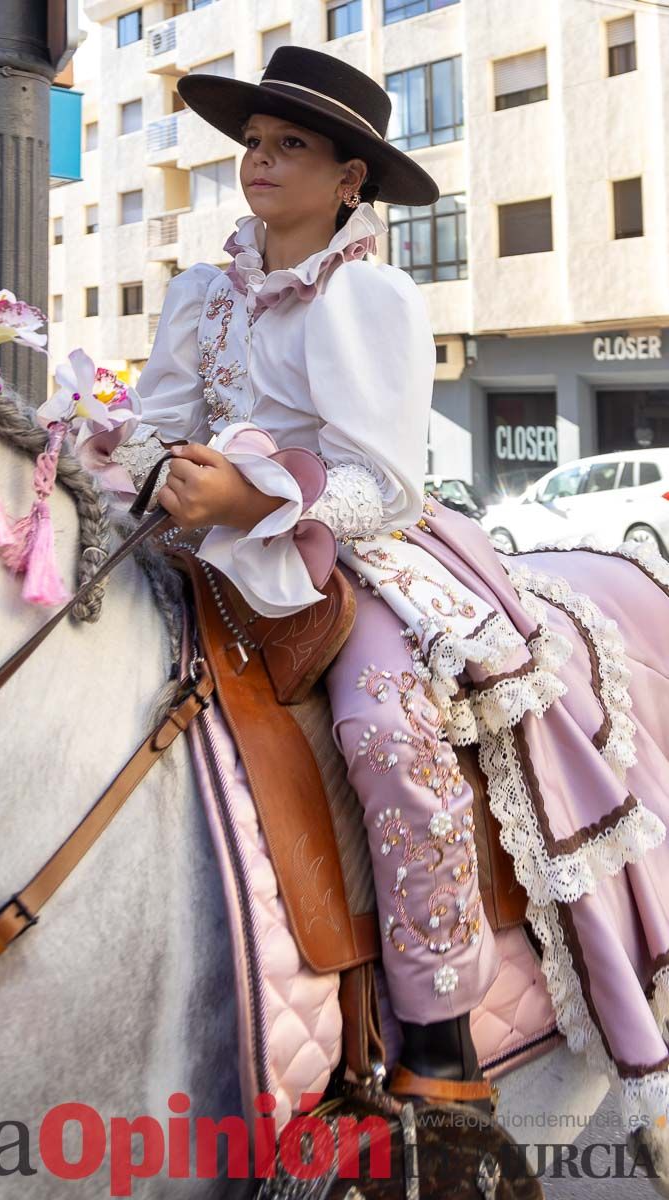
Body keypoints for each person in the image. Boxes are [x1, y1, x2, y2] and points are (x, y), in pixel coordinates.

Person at [73, 46, 669, 1141]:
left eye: (291, 145)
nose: (259, 161)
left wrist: (255, 504)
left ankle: (440, 1040)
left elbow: (384, 481)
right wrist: (155, 469)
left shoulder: (372, 296)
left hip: (355, 554)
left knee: (384, 732)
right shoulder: (201, 290)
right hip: (202, 537)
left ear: (351, 178)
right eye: (253, 143)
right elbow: (160, 417)